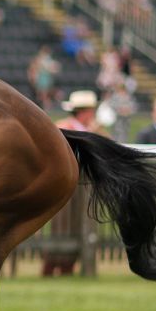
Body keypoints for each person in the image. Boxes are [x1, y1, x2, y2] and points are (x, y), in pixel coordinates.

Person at [45, 90, 108, 276]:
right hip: (64, 184)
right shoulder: (63, 127)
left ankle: (68, 266)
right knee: (61, 225)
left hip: (82, 186)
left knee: (78, 224)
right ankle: (52, 265)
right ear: (85, 111)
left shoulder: (93, 130)